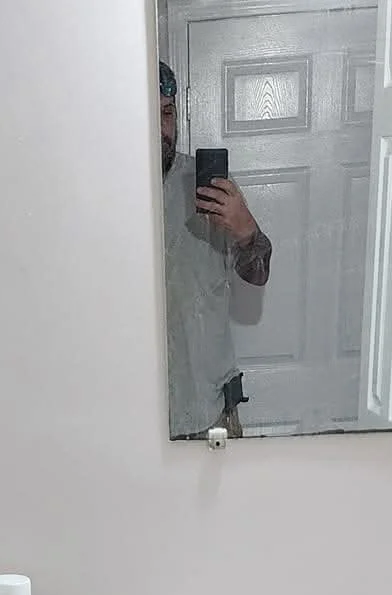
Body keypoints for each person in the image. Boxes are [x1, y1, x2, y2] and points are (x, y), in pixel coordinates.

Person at [159, 59, 272, 439]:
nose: (162, 128)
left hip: (209, 411)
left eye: (167, 113)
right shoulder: (104, 194)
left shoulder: (205, 186)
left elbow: (258, 274)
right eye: (149, 114)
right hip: (133, 410)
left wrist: (245, 231)